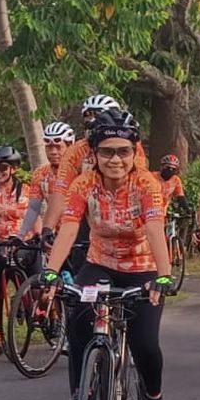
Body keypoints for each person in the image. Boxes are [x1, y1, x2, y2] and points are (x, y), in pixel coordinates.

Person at [41, 109, 175, 400]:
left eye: (123, 152)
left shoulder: (146, 184)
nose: (115, 159)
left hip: (142, 268)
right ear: (94, 154)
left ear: (134, 153)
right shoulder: (83, 184)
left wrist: (164, 275)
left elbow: (156, 230)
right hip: (100, 263)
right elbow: (69, 229)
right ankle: (80, 396)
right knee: (77, 324)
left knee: (145, 343)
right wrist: (51, 272)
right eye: (107, 151)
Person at [42, 95, 148, 270]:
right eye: (88, 121)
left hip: (126, 217)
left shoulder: (131, 148)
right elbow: (60, 192)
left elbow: (140, 188)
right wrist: (47, 229)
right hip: (89, 217)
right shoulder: (76, 151)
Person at [0, 145, 31, 356]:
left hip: (23, 247)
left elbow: (35, 218)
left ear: (14, 169)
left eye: (3, 167)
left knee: (35, 292)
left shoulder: (28, 191)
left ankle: (42, 322)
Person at [18, 121, 74, 239]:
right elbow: (34, 208)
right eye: (49, 147)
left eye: (58, 147)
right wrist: (21, 235)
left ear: (70, 147)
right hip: (59, 235)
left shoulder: (81, 171)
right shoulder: (41, 174)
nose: (53, 152)